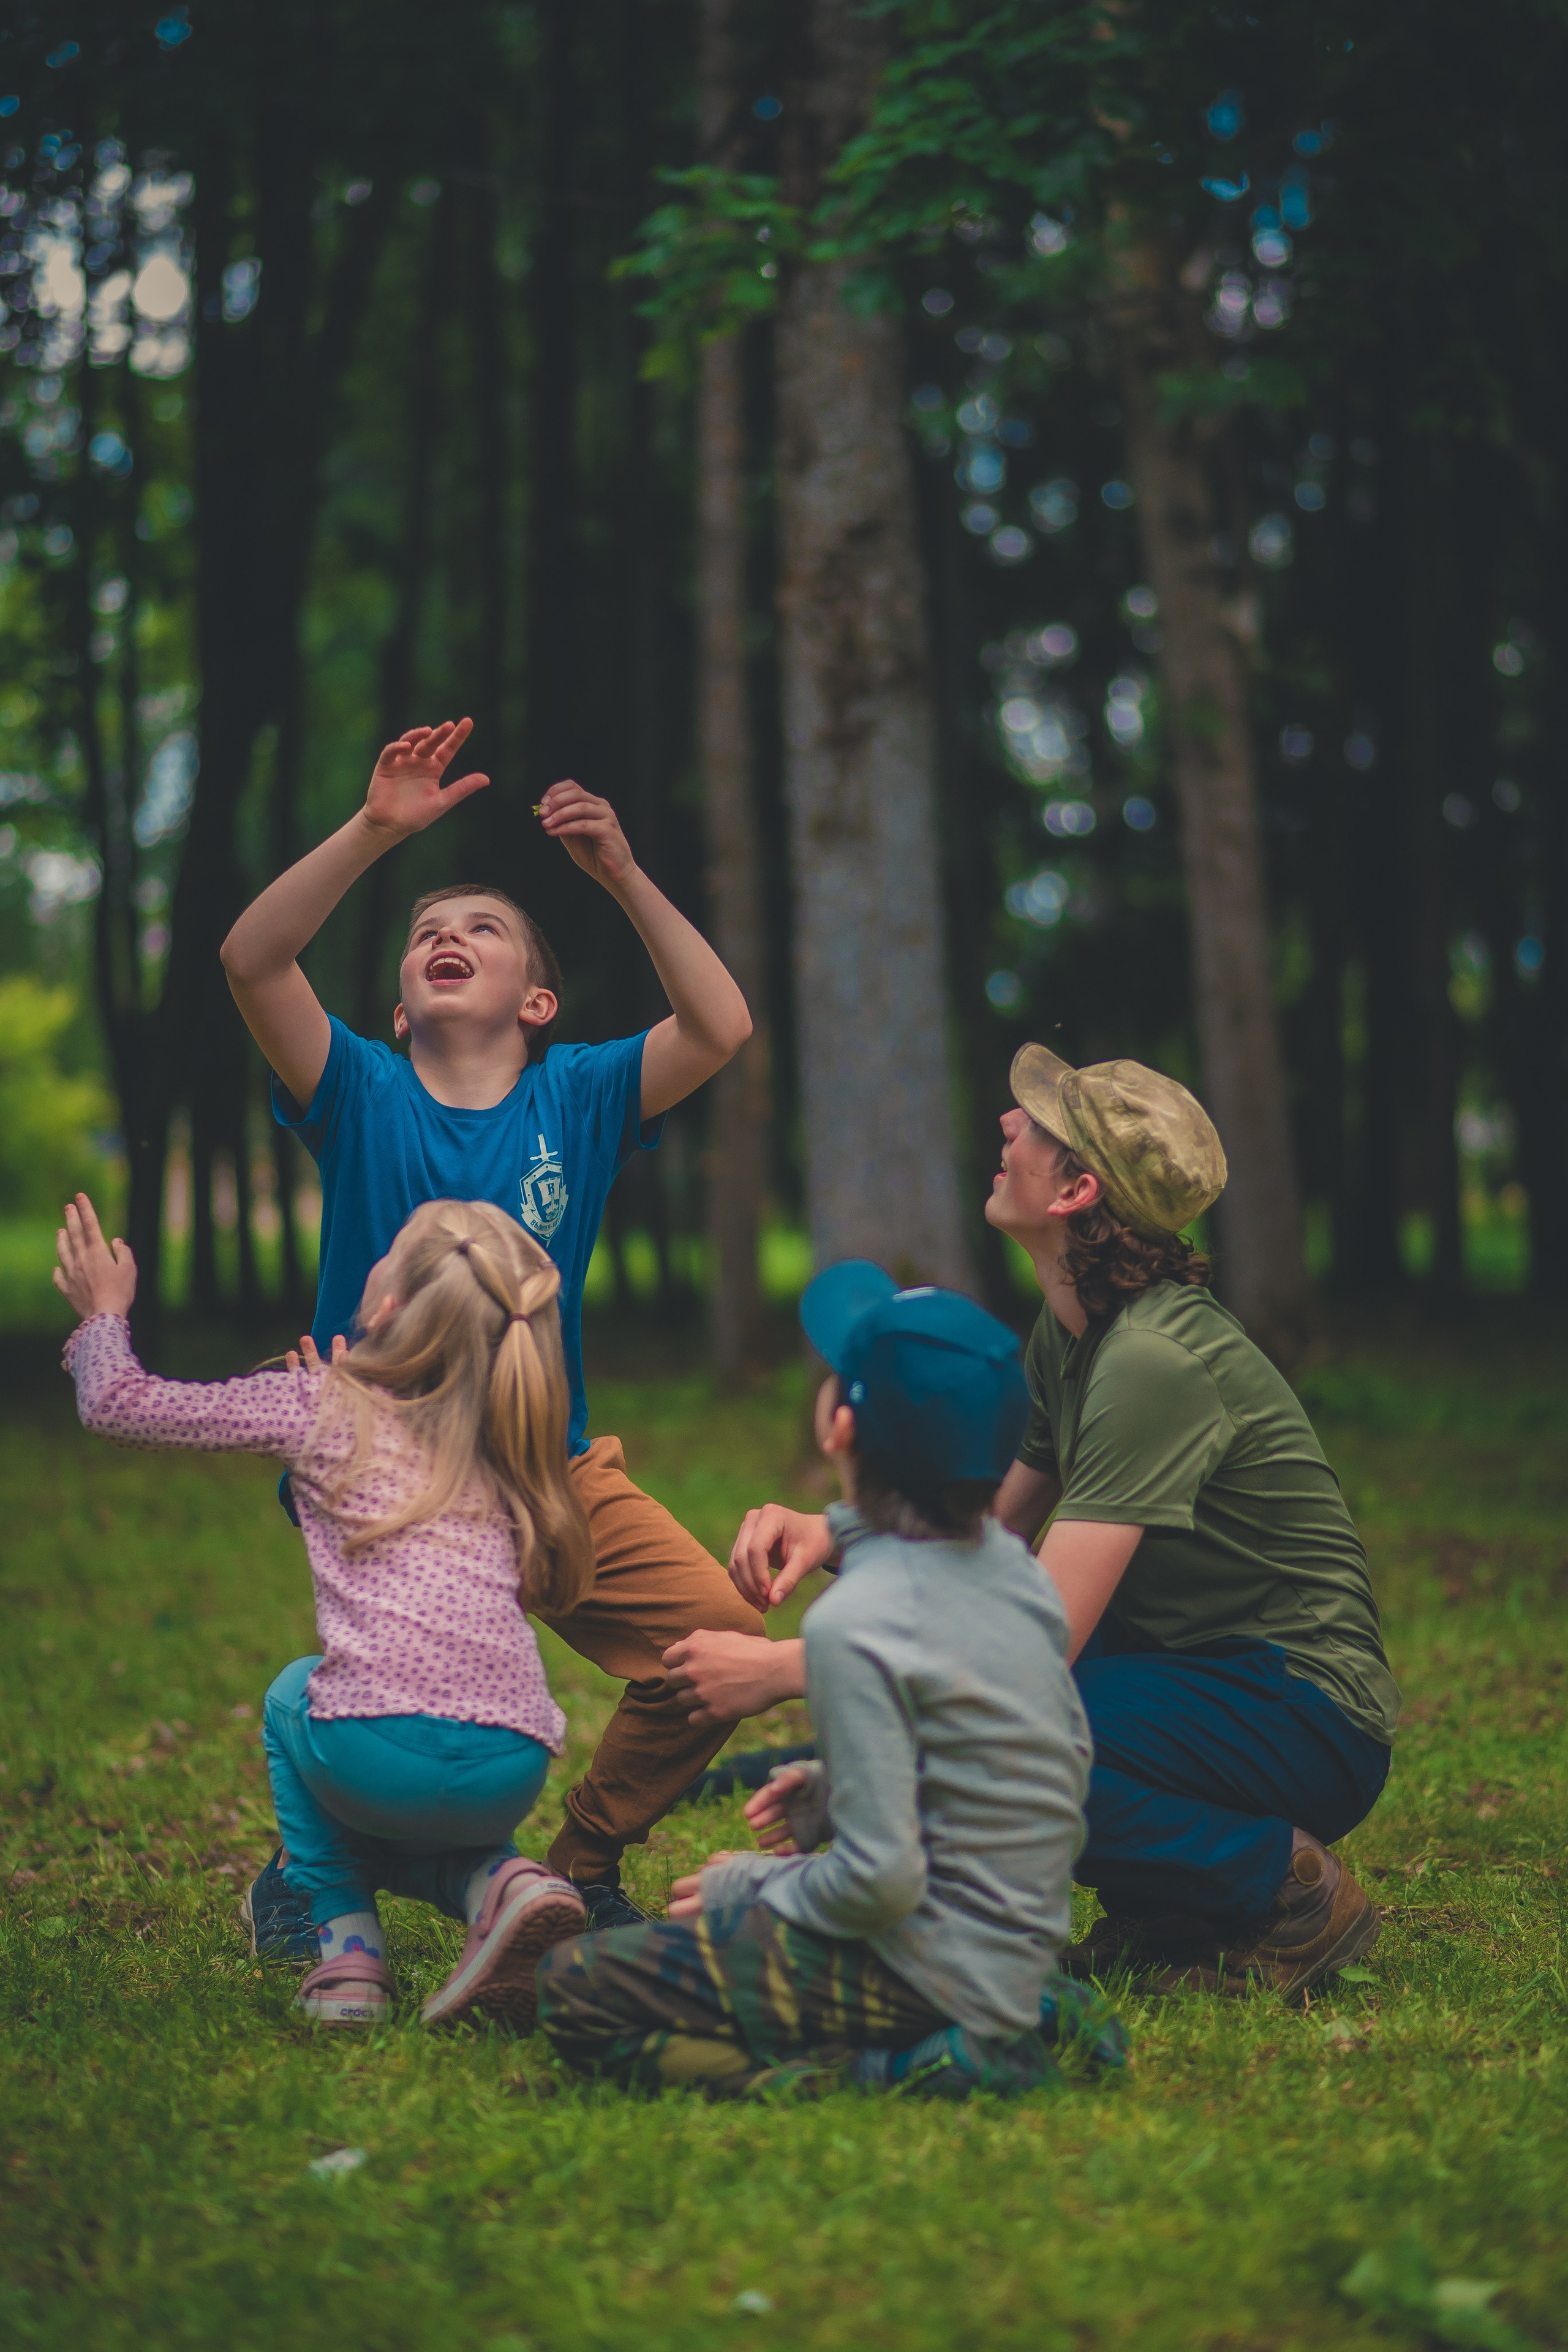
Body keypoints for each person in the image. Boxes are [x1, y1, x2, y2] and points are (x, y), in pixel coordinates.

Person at [665, 1047, 1398, 2002]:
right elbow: (991, 1535)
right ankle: (1176, 1908)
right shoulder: (1077, 1331)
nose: (1008, 1127)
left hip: (1304, 1711)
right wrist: (834, 1533)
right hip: (1204, 1676)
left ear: (1077, 1190)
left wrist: (783, 1672)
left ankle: (1282, 1891)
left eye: (1035, 1124)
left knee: (1007, 1728)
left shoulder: (1150, 1363)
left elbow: (1029, 1640)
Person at [218, 718, 768, 1948]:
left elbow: (722, 1027)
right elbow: (254, 961)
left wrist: (619, 873)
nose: (445, 938)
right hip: (394, 1482)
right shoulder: (356, 1088)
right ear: (400, 1010)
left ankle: (577, 1865)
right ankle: (314, 1876)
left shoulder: (574, 1092)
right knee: (394, 1708)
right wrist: (370, 832)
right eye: (425, 935)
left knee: (722, 1644)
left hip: (545, 1465)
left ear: (537, 1001)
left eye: (480, 929)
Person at [534, 1263, 1115, 2100]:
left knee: (578, 1989)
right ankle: (1018, 2010)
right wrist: (840, 1790)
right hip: (1018, 1940)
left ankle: (892, 2067)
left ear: (840, 1430)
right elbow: (1013, 1753)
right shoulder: (1013, 1575)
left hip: (914, 1961)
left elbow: (880, 1882)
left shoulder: (851, 1624)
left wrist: (757, 1888)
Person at [55, 1191, 593, 2032]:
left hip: (374, 1753)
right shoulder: (505, 1437)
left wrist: (105, 1313)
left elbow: (118, 1404)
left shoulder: (321, 1409)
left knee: (287, 1696)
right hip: (511, 1766)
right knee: (433, 1818)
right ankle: (506, 1883)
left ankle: (349, 1958)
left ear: (385, 1305)